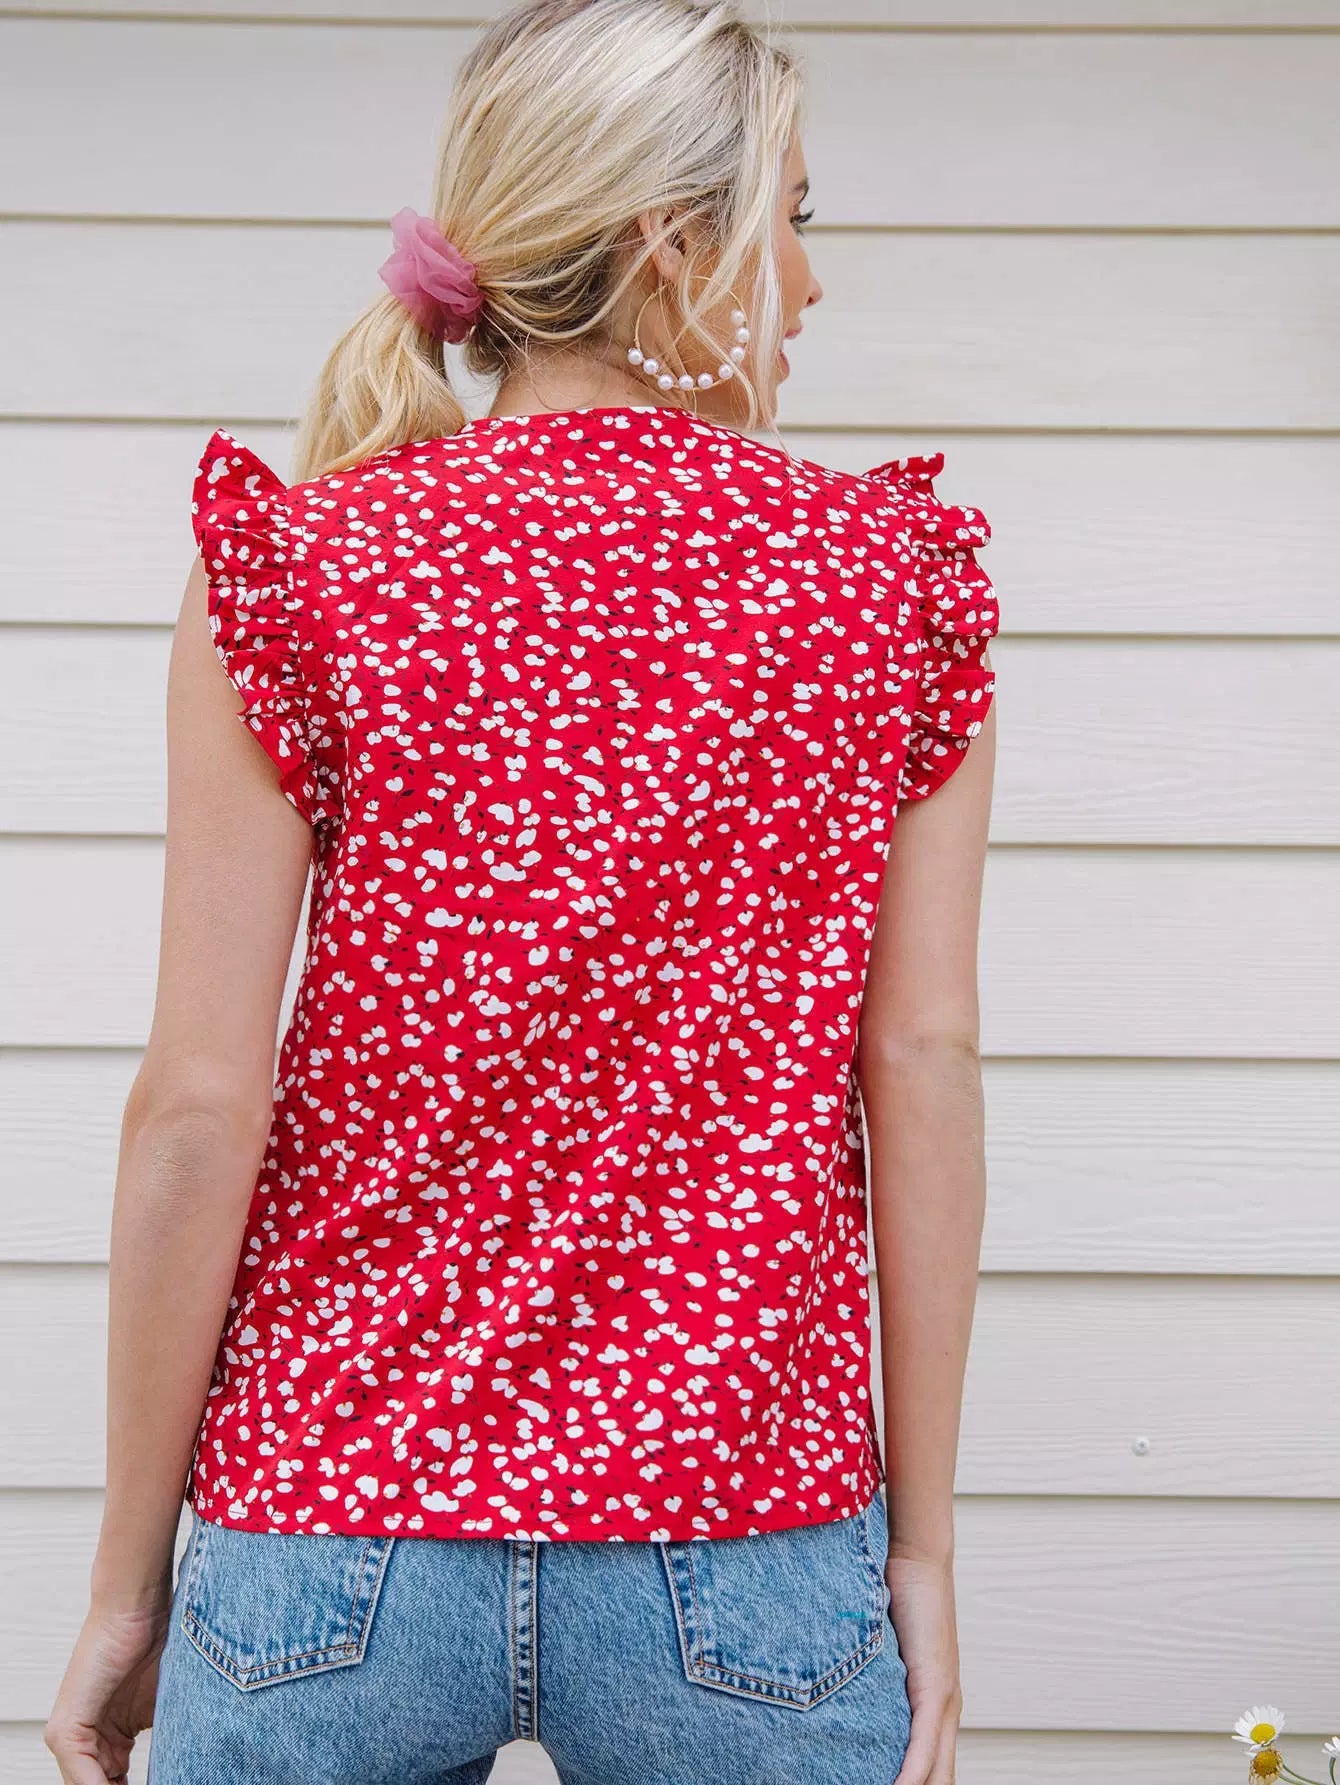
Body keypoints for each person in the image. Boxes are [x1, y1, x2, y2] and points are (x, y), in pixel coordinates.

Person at [43, 2, 998, 1781]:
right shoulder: (885, 576)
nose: (808, 282)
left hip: (333, 1520)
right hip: (742, 1527)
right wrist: (922, 1549)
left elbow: (195, 1104)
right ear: (670, 243)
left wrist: (126, 1571)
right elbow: (923, 1063)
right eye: (792, 217)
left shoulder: (308, 561)